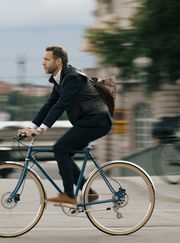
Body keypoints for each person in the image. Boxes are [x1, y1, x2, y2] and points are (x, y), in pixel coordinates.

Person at [17, 45, 112, 207]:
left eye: (46, 59)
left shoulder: (72, 78)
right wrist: (30, 127)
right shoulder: (60, 80)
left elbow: (61, 105)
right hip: (88, 121)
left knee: (60, 148)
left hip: (97, 120)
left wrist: (41, 129)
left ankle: (69, 195)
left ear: (58, 61)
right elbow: (49, 105)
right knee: (63, 151)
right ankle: (88, 193)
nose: (43, 63)